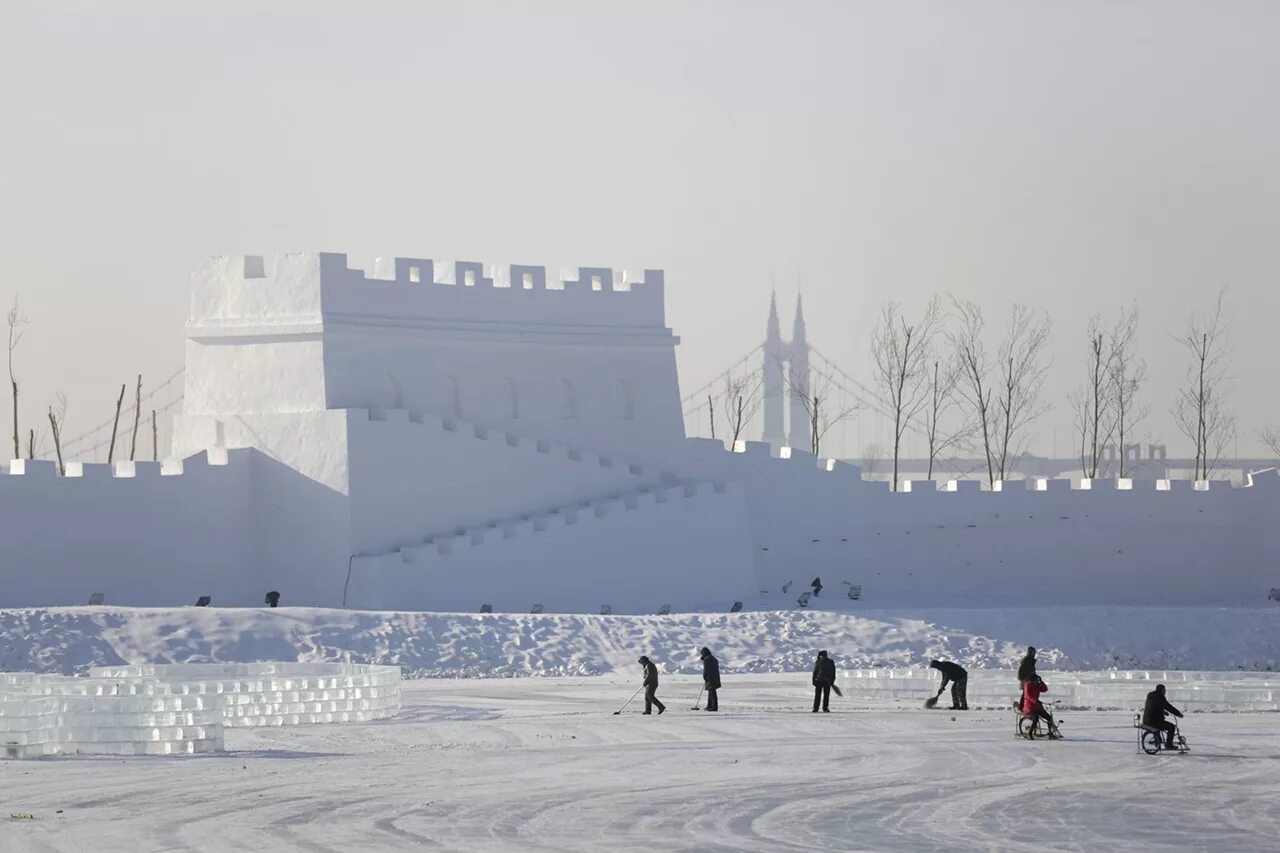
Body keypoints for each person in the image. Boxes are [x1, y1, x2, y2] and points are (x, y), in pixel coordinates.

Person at [1142, 684, 1184, 749]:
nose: (1165, 692)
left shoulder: (1151, 696)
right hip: (1154, 721)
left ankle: (1157, 742)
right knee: (1171, 727)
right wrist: (1178, 714)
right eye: (1164, 690)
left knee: (1159, 727)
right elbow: (1168, 707)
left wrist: (1163, 712)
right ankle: (1169, 745)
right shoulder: (1160, 697)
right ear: (1161, 690)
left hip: (1146, 720)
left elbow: (1154, 707)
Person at [699, 647, 721, 712]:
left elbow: (706, 670)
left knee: (712, 693)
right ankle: (709, 706)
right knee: (711, 692)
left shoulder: (707, 659)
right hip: (715, 678)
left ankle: (713, 707)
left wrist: (705, 677)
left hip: (710, 678)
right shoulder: (714, 659)